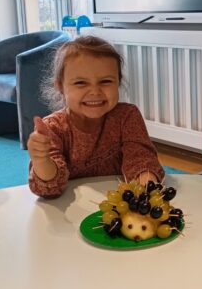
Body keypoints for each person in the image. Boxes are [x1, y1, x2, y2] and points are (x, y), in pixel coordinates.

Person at [27, 35, 164, 198]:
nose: (94, 92)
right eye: (80, 83)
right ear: (60, 87)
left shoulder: (127, 116)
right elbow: (49, 188)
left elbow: (140, 158)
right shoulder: (53, 127)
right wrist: (42, 160)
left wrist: (146, 191)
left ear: (118, 82)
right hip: (73, 207)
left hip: (120, 202)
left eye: (105, 81)